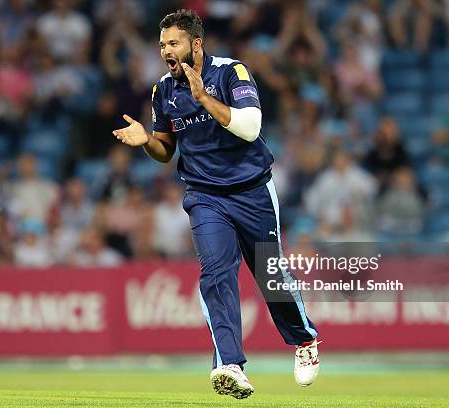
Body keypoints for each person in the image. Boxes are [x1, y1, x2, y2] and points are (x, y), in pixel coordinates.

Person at [112, 9, 319, 399]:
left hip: (252, 190)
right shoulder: (162, 91)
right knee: (216, 272)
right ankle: (229, 364)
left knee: (270, 276)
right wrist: (146, 142)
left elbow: (250, 127)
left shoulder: (231, 73)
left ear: (196, 44)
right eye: (161, 45)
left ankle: (305, 340)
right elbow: (165, 150)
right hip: (205, 196)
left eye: (173, 43)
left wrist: (204, 98)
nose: (165, 51)